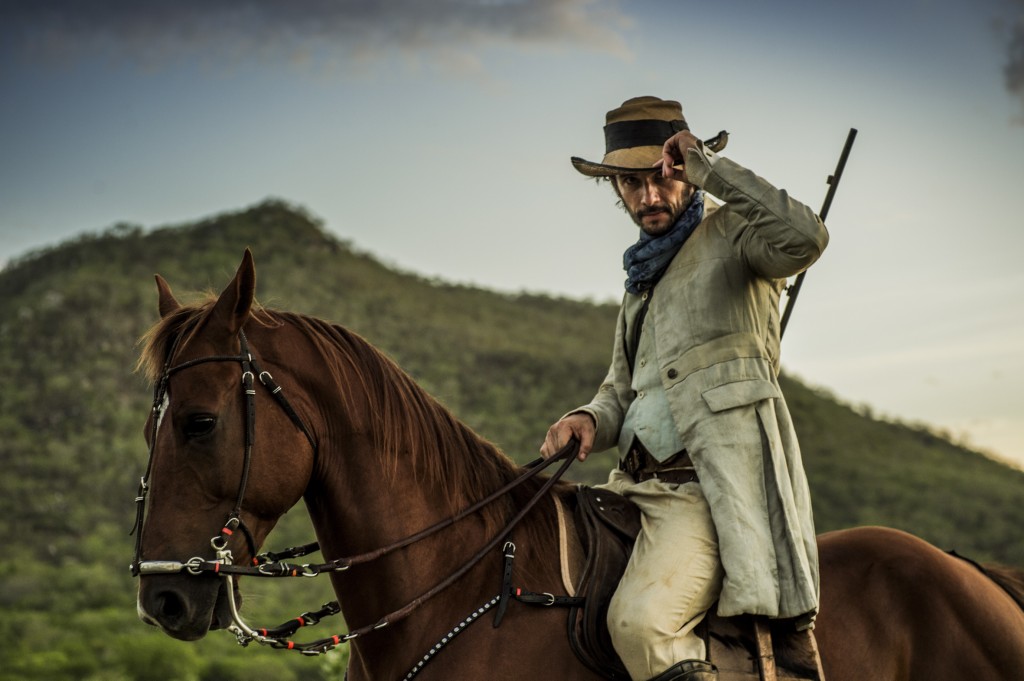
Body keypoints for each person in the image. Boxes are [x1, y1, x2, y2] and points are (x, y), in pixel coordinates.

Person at [540, 96, 827, 681]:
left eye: (661, 178)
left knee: (641, 625)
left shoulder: (737, 234)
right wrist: (590, 418)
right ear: (614, 187)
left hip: (705, 493)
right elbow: (622, 389)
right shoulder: (639, 278)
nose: (648, 197)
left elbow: (807, 239)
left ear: (684, 171)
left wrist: (708, 167)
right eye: (630, 183)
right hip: (629, 487)